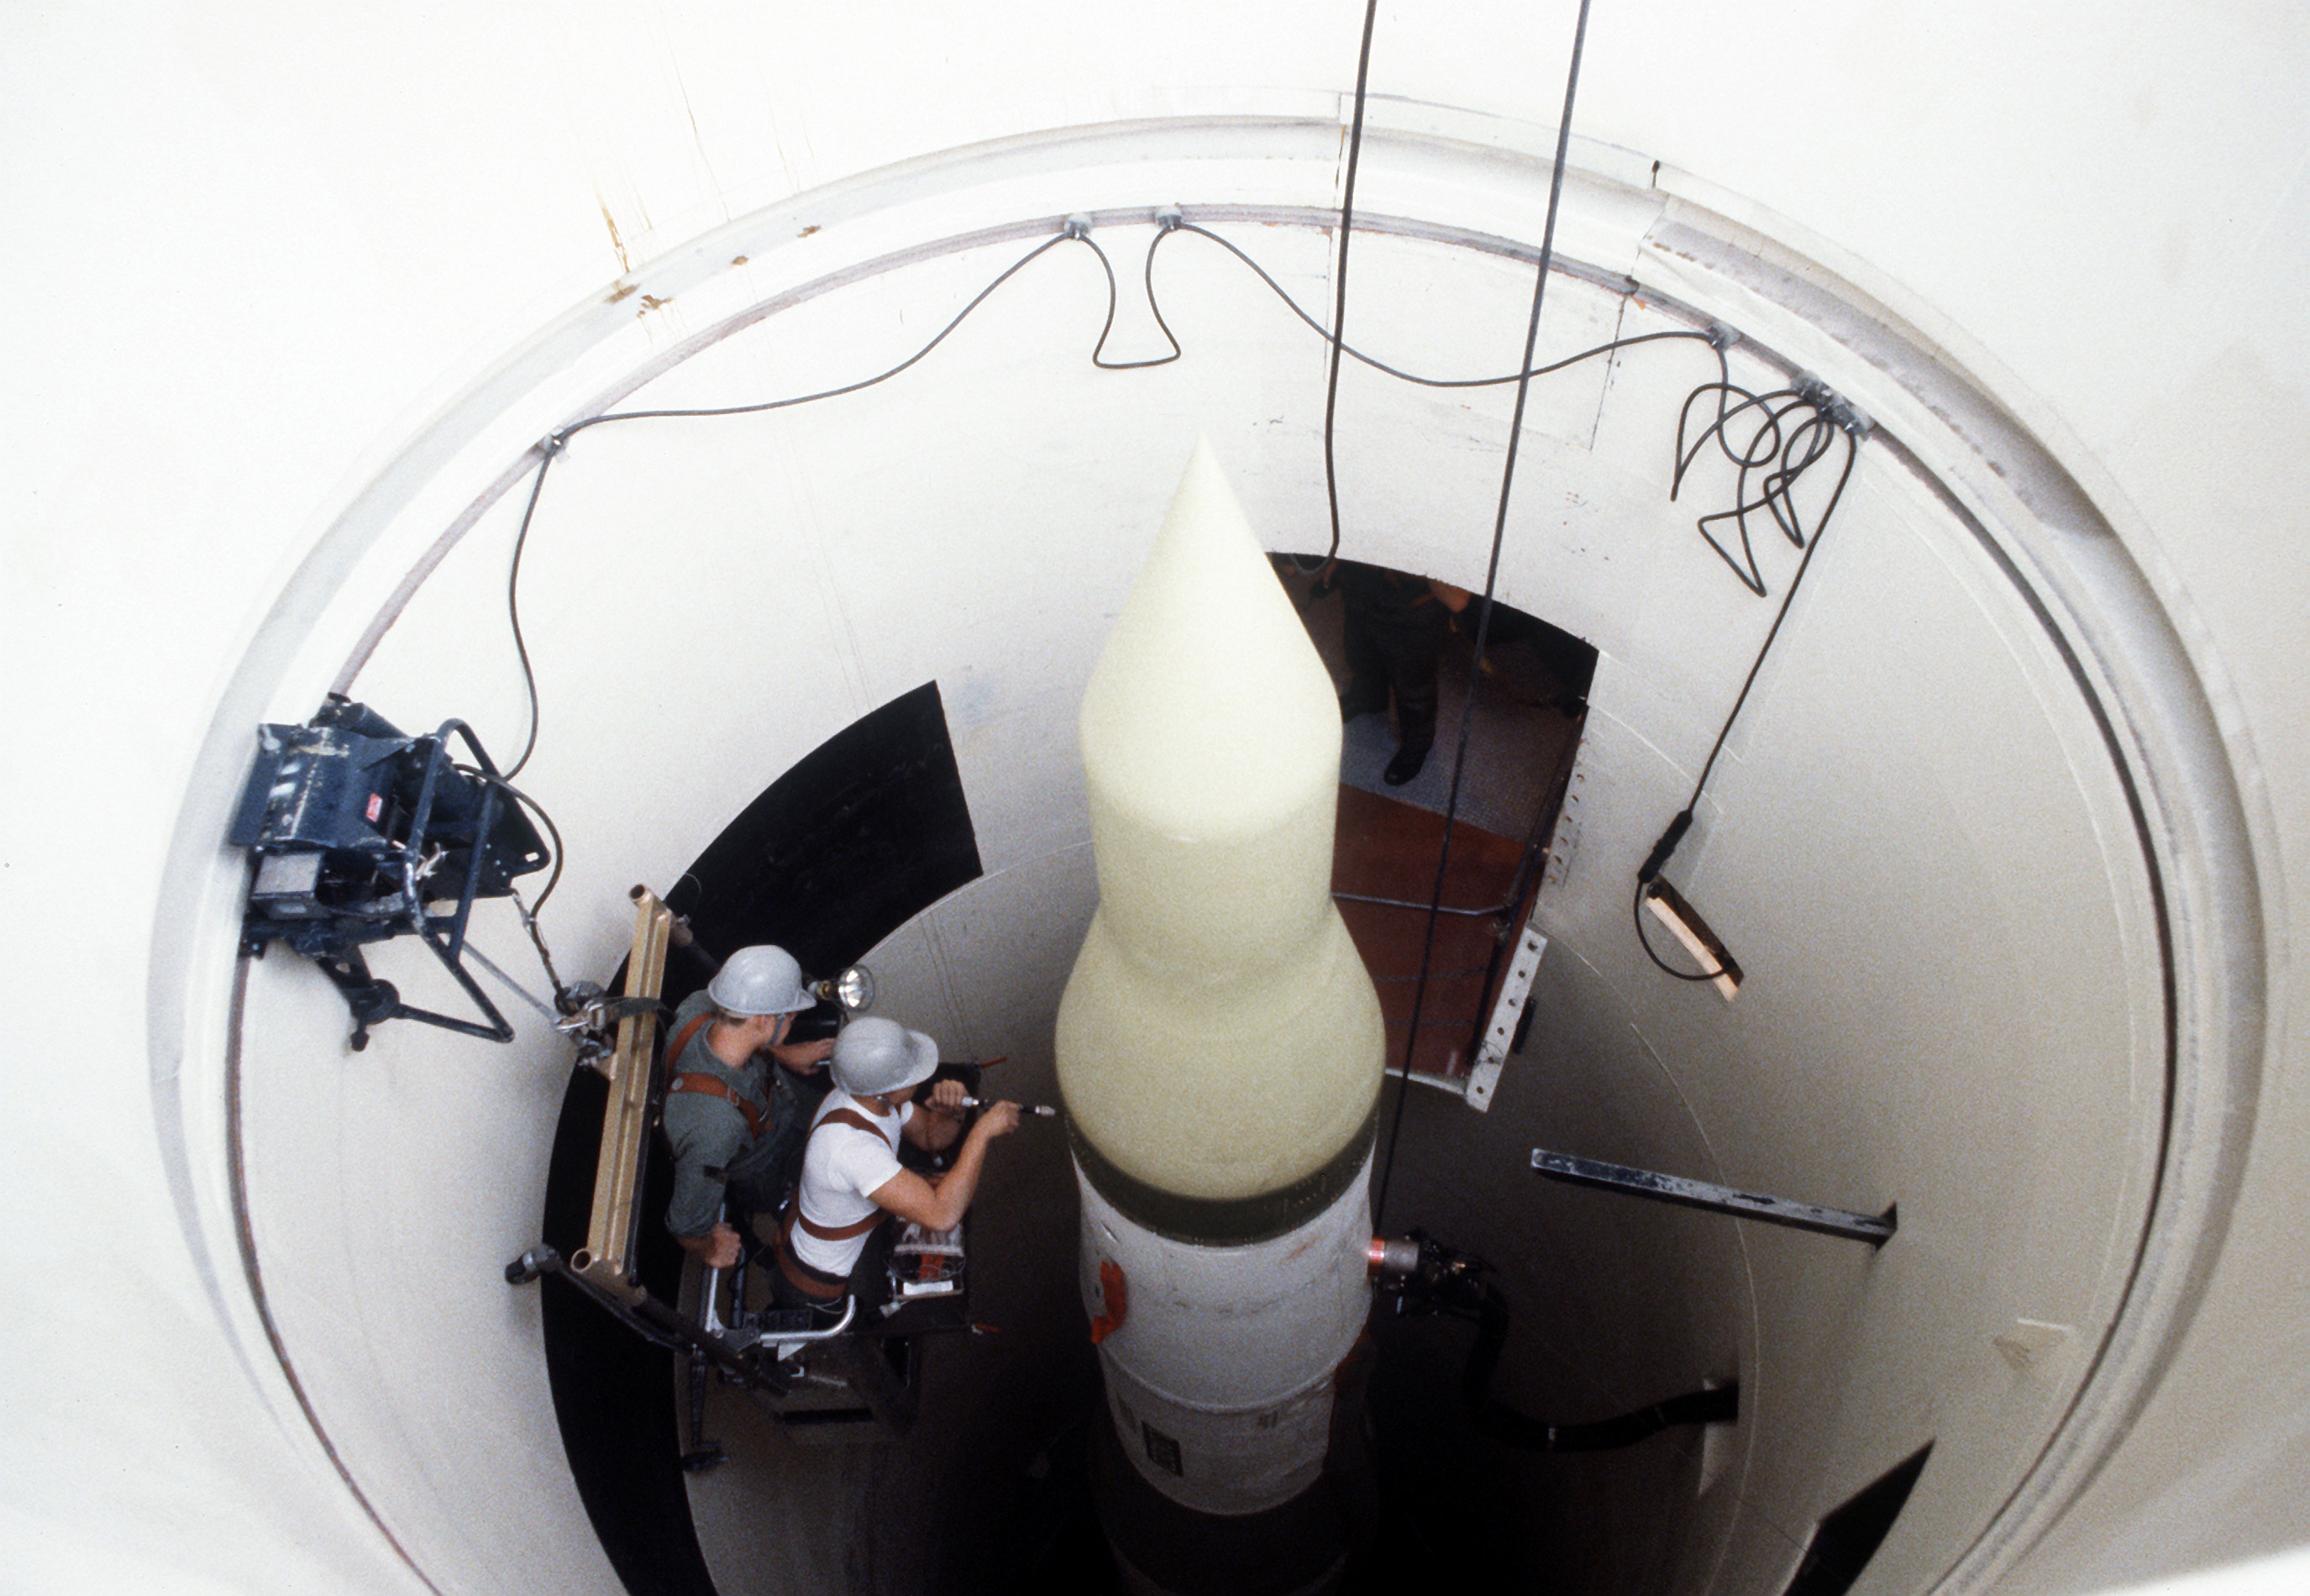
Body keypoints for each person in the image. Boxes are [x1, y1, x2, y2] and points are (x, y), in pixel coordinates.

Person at [773, 1016, 1021, 1310]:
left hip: (832, 1247)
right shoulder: (851, 1147)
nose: (920, 1079)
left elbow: (931, 1137)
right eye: (911, 1075)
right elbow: (942, 1214)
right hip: (816, 1288)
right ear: (885, 1089)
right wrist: (981, 1133)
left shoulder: (866, 1095)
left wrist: (952, 1112)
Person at [660, 944, 837, 1270]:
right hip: (767, 1164)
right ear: (763, 1021)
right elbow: (685, 1225)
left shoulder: (700, 1004)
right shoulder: (715, 1128)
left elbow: (745, 1035)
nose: (794, 1021)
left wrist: (785, 1053)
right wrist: (707, 1247)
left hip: (781, 1097)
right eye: (792, 1016)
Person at [1336, 561, 1469, 786]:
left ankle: (1417, 746)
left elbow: (1457, 600)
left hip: (1412, 613)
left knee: (1414, 690)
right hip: (1359, 591)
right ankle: (1369, 699)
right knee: (1361, 657)